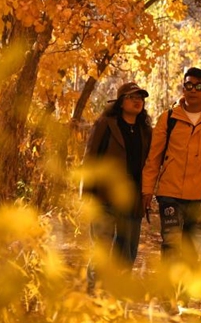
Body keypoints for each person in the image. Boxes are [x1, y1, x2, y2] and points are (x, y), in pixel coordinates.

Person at [141, 67, 201, 261]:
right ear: (183, 88)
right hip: (169, 193)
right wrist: (147, 189)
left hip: (200, 196)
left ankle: (184, 289)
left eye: (199, 86)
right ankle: (168, 289)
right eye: (189, 85)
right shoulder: (168, 118)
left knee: (191, 250)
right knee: (171, 245)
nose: (193, 90)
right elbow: (154, 157)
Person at [83, 82, 152, 293]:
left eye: (140, 97)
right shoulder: (106, 124)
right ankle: (93, 296)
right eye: (132, 97)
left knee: (127, 253)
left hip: (132, 201)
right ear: (121, 102)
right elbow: (90, 159)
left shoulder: (145, 130)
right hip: (104, 199)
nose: (137, 101)